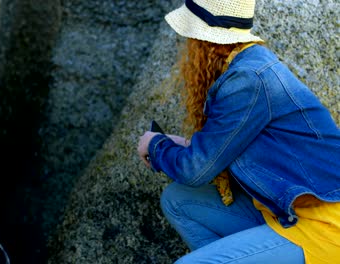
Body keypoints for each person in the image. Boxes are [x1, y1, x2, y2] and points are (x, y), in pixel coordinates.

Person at [137, 0, 340, 263]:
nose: (186, 47)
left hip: (323, 225)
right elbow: (224, 148)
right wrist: (186, 146)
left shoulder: (248, 78)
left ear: (204, 40)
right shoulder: (249, 63)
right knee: (179, 200)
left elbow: (195, 170)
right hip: (285, 210)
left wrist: (156, 146)